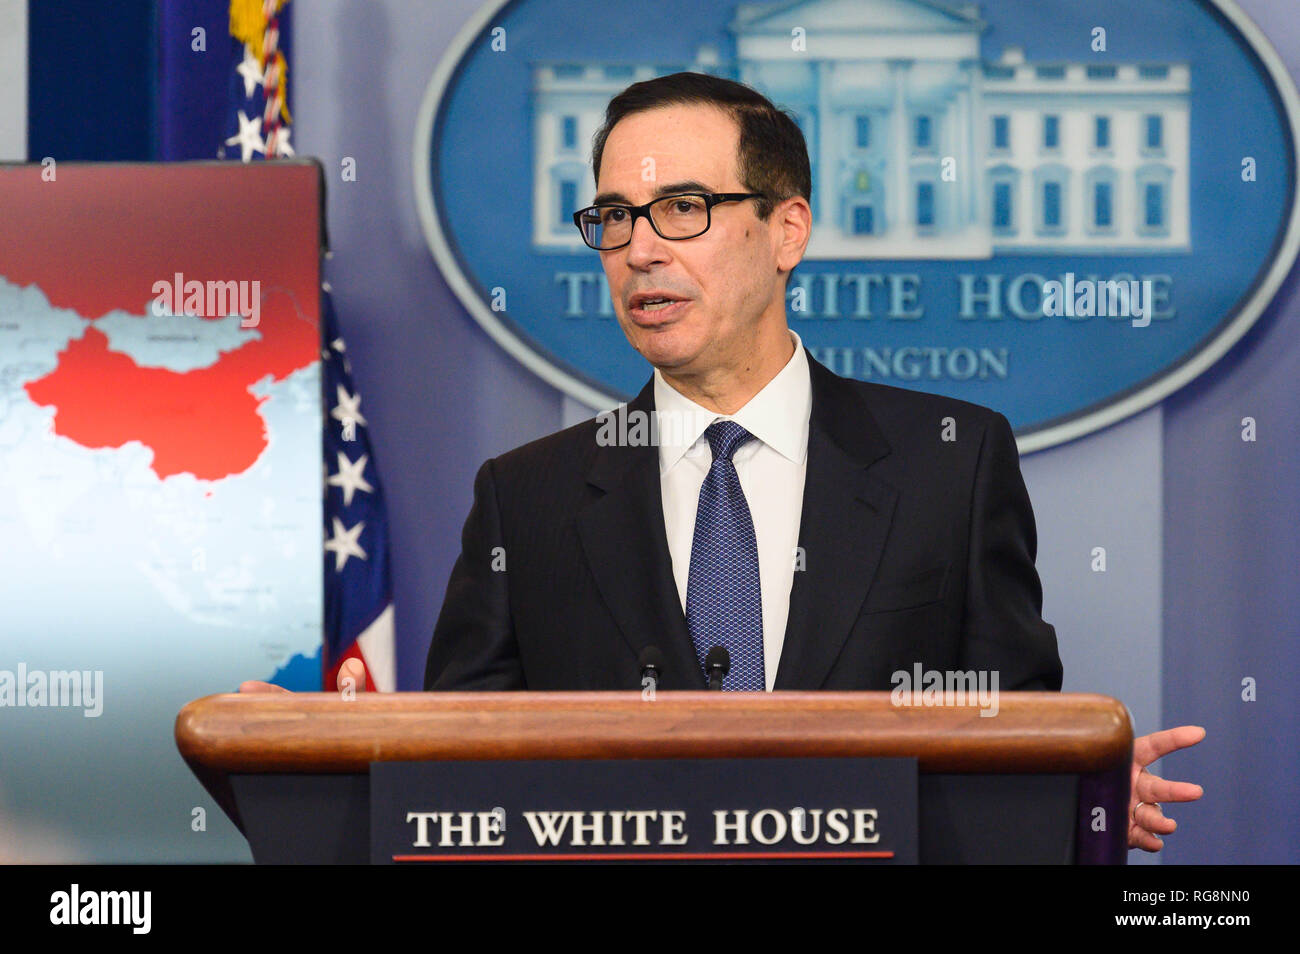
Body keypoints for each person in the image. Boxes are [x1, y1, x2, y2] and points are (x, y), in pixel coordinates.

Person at [246, 71, 1203, 852]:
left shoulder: (948, 465)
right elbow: (459, 789)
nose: (640, 251)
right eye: (615, 218)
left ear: (787, 231)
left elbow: (1008, 732)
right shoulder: (526, 500)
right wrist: (319, 766)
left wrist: (1063, 807)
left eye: (683, 208)